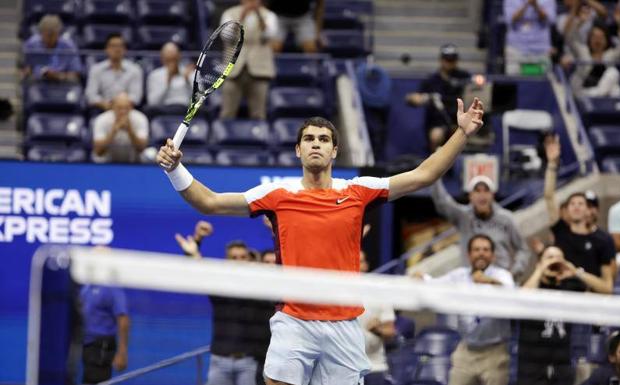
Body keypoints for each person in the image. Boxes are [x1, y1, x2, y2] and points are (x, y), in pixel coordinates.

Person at [157, 97, 484, 384]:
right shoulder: (276, 195)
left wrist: (462, 133)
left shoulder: (358, 191)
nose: (316, 143)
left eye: (324, 139)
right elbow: (210, 202)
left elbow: (423, 175)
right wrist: (175, 169)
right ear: (298, 150)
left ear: (334, 150)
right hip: (293, 319)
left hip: (343, 323)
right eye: (309, 139)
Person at [175, 235, 274, 385]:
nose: (239, 261)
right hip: (219, 361)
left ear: (249, 260)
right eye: (234, 257)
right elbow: (201, 273)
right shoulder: (219, 288)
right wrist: (194, 251)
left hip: (249, 363)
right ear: (227, 261)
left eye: (242, 257)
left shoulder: (259, 291)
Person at [417, 234, 513, 385]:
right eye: (476, 249)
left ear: (492, 256)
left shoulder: (502, 275)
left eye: (486, 250)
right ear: (469, 255)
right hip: (466, 350)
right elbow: (433, 284)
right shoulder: (459, 275)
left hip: (494, 352)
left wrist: (488, 281)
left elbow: (511, 294)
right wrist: (421, 278)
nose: (481, 253)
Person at [543, 135, 615, 294]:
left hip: (588, 301)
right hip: (560, 297)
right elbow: (549, 196)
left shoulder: (603, 240)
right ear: (566, 210)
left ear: (589, 210)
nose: (576, 207)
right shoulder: (561, 231)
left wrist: (576, 273)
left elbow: (607, 287)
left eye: (581, 203)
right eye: (572, 204)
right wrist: (552, 164)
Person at [431, 174, 531, 280]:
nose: (482, 195)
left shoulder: (506, 219)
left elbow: (523, 249)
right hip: (471, 281)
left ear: (492, 195)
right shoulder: (463, 217)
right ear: (470, 196)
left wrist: (514, 273)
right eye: (477, 191)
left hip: (499, 281)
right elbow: (442, 202)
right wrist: (436, 173)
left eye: (486, 190)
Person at [518, 245, 587, 385]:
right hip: (532, 367)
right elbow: (521, 299)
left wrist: (574, 272)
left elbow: (603, 292)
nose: (554, 262)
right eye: (550, 258)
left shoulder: (570, 287)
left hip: (562, 366)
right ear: (539, 263)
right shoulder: (531, 285)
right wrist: (540, 270)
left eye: (559, 258)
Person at [405, 44, 472, 152]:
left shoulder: (464, 77)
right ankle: (436, 164)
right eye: (447, 59)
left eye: (453, 59)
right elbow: (412, 98)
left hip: (461, 122)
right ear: (441, 60)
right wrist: (421, 98)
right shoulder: (432, 81)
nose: (450, 62)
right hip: (439, 124)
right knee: (436, 135)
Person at [219, 0, 278, 120]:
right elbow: (226, 36)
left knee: (259, 115)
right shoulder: (229, 14)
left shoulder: (269, 15)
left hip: (260, 70)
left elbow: (269, 35)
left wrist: (259, 16)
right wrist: (241, 17)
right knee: (227, 113)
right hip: (233, 70)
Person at [80, 269, 130, 383]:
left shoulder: (112, 288)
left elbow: (123, 318)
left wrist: (122, 352)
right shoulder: (87, 286)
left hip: (101, 346)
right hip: (85, 345)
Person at [358, 250, 396, 385]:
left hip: (374, 367)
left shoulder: (379, 292)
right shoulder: (336, 293)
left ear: (366, 265)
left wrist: (377, 329)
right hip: (345, 368)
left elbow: (390, 331)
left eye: (361, 261)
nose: (357, 265)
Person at [85, 33, 143, 111]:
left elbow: (136, 96)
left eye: (120, 46)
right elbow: (91, 95)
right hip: (102, 109)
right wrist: (104, 104)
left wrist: (121, 105)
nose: (117, 49)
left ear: (125, 49)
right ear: (106, 49)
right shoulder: (96, 69)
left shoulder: (135, 70)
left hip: (127, 110)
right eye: (113, 46)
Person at [567, 22, 620, 98]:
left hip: (600, 93)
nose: (597, 40)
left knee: (615, 82)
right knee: (614, 75)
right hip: (582, 92)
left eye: (601, 37)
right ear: (589, 39)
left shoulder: (611, 54)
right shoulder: (583, 51)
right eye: (594, 37)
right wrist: (579, 22)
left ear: (606, 40)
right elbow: (570, 39)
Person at [21, 14, 82, 82]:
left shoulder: (69, 46)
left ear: (58, 33)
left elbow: (76, 74)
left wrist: (58, 76)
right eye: (47, 35)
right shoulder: (32, 44)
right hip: (37, 82)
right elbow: (26, 68)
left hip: (63, 84)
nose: (49, 39)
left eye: (53, 35)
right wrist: (26, 72)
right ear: (41, 32)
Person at [92, 92, 149, 163]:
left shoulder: (140, 118)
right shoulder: (101, 120)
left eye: (126, 108)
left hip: (135, 164)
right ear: (112, 107)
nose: (123, 111)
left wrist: (130, 130)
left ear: (131, 107)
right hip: (107, 165)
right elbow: (98, 151)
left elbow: (142, 149)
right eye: (119, 108)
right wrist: (113, 132)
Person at [503, 0, 557, 75]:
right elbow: (509, 20)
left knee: (539, 83)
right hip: (516, 49)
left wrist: (536, 6)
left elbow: (551, 20)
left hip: (540, 51)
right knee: (515, 82)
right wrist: (526, 4)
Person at [146, 42, 194, 111]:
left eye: (174, 58)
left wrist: (188, 82)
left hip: (187, 111)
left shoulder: (191, 73)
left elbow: (200, 101)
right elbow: (152, 103)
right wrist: (167, 83)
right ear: (162, 58)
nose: (172, 62)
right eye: (168, 58)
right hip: (163, 112)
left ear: (179, 56)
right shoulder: (154, 75)